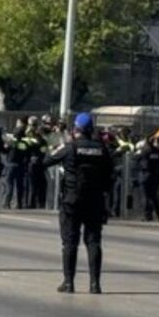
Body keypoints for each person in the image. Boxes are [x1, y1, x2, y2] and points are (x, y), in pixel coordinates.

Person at [44, 113, 113, 294]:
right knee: (93, 241)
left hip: (72, 201)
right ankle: (95, 284)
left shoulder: (70, 148)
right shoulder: (102, 149)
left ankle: (69, 282)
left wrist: (56, 148)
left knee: (70, 242)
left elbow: (46, 161)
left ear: (76, 130)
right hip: (95, 201)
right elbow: (110, 175)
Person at [136, 136, 159, 222]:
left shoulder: (145, 150)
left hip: (145, 174)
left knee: (145, 196)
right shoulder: (158, 151)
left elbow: (137, 158)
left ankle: (147, 215)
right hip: (155, 175)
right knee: (153, 196)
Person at [4, 127, 29, 209]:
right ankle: (19, 203)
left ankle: (7, 203)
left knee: (9, 185)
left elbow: (5, 150)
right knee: (19, 186)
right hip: (20, 166)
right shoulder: (23, 144)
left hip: (11, 165)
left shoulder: (11, 142)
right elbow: (26, 154)